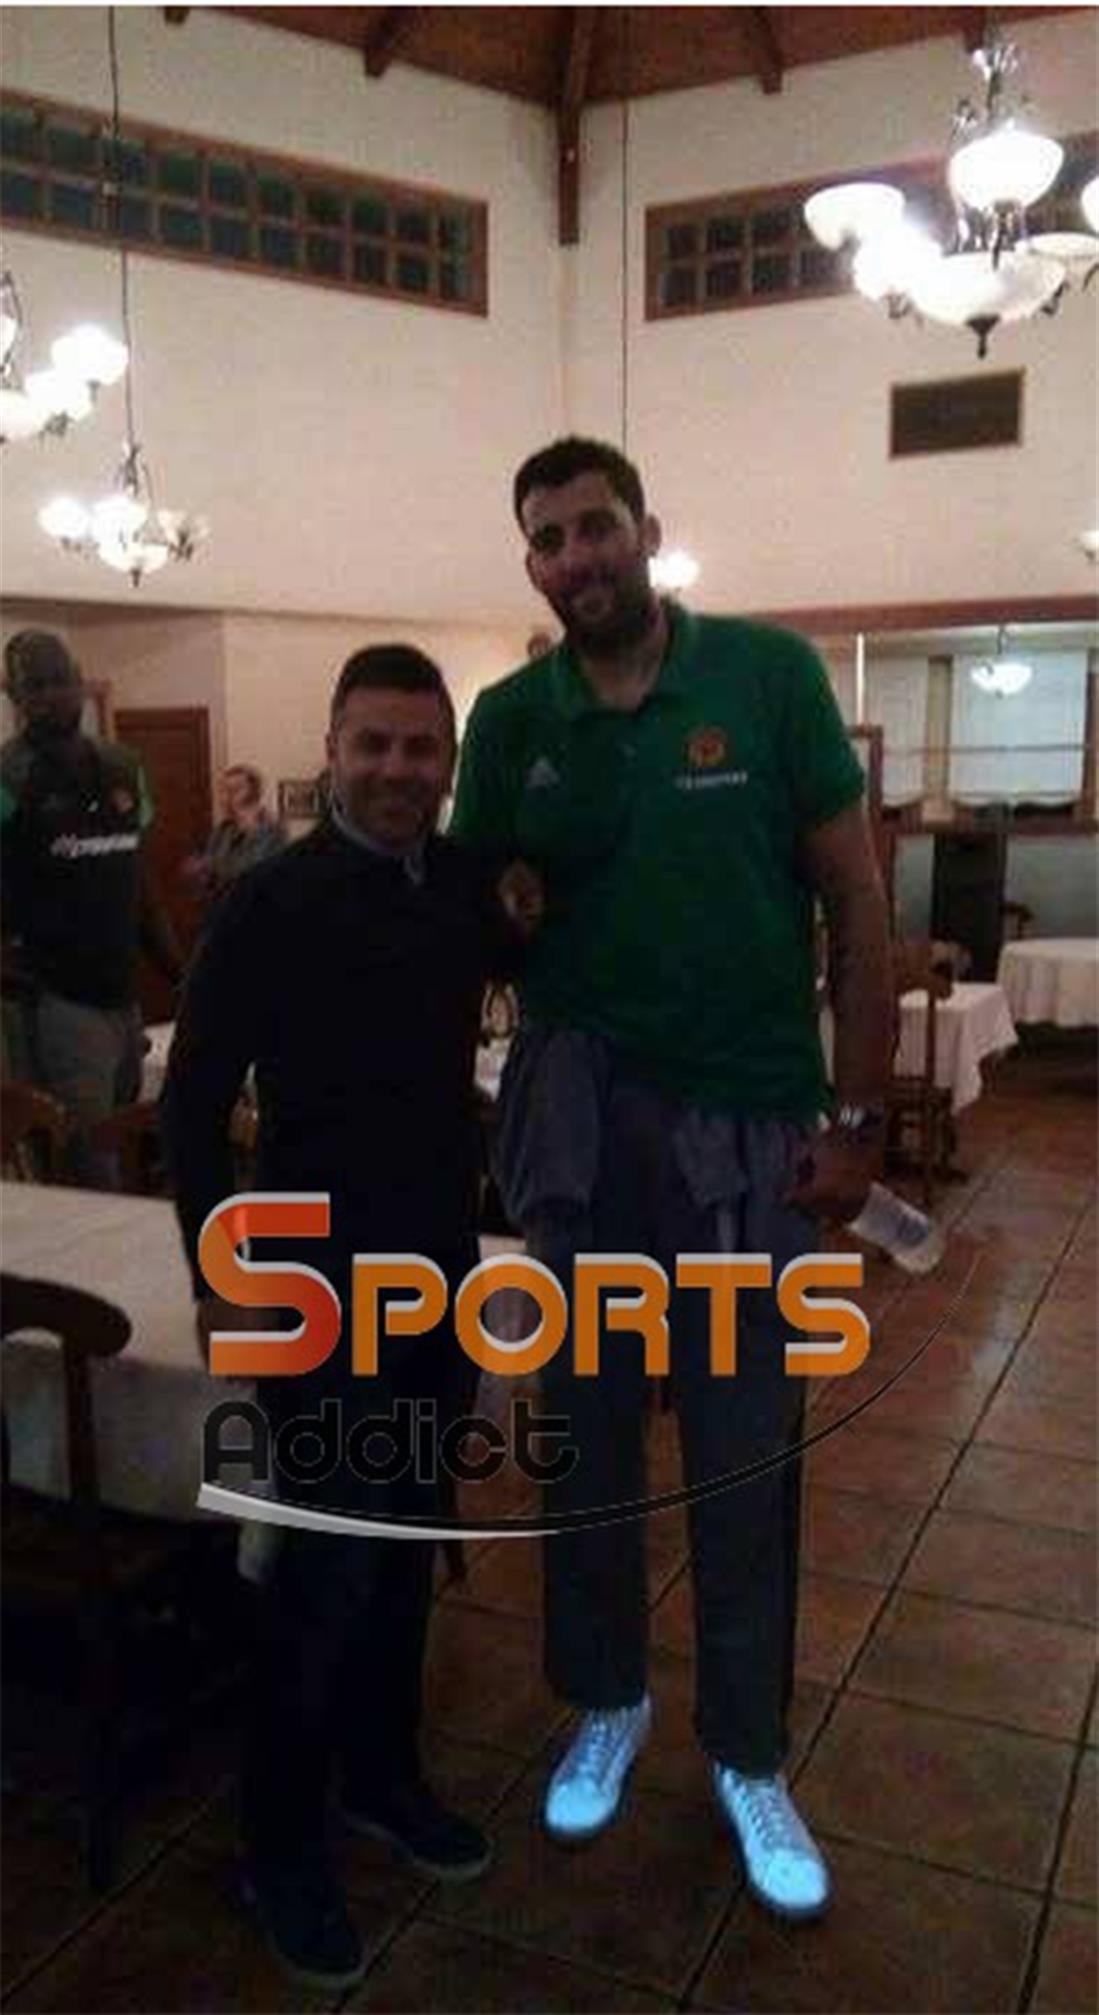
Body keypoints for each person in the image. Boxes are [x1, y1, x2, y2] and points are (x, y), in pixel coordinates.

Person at [450, 436, 893, 1921]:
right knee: (581, 1439)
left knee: (738, 1449)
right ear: (530, 563)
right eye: (548, 539)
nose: (576, 556)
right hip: (579, 1126)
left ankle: (748, 1750)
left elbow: (855, 901)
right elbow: (476, 921)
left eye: (596, 526)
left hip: (743, 1127)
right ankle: (605, 1696)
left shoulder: (765, 677)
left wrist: (859, 1118)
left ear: (646, 530)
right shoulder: (510, 719)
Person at [162, 644, 524, 1992]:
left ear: (447, 762)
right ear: (330, 752)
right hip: (312, 1289)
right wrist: (218, 1277)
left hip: (434, 1274)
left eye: (420, 748)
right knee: (318, 1578)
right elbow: (193, 1102)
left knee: (406, 1545)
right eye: (371, 744)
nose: (395, 770)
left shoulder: (466, 887)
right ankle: (278, 1846)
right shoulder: (267, 901)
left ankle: (381, 1775)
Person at [0, 629, 182, 1184]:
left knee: (131, 1145)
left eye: (61, 681)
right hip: (55, 1001)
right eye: (35, 686)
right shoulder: (8, 777)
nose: (52, 696)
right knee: (88, 1167)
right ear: (13, 695)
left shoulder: (122, 765)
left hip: (123, 996)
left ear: (80, 681)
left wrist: (181, 974)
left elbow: (138, 879)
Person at [183, 763, 286, 904]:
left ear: (254, 793)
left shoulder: (271, 830)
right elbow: (210, 876)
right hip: (224, 906)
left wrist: (211, 864)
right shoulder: (222, 830)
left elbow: (250, 870)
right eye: (224, 790)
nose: (226, 798)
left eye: (235, 790)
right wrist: (198, 870)